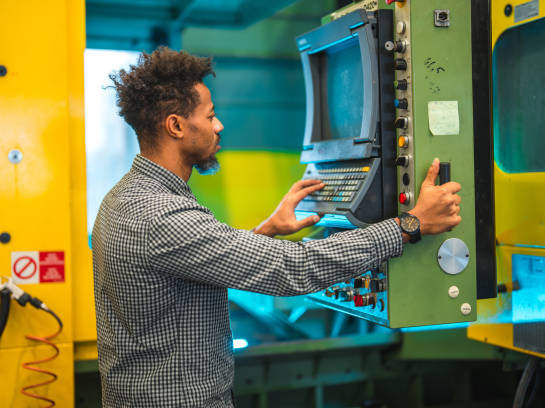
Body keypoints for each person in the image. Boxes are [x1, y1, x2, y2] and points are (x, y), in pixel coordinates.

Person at [92, 46, 462, 408]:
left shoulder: (124, 197)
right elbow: (293, 268)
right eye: (209, 116)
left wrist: (264, 232)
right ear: (175, 125)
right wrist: (409, 224)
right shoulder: (163, 215)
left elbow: (191, 259)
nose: (219, 126)